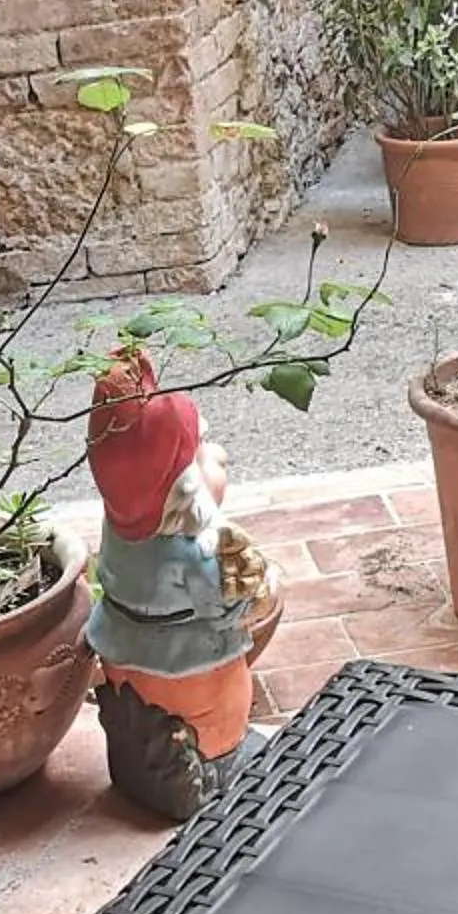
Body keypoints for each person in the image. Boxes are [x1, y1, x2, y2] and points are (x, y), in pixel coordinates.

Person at [82, 349, 275, 820]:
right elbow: (231, 602)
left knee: (144, 707)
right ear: (181, 492)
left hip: (127, 650)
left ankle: (149, 769)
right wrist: (253, 584)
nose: (217, 457)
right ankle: (220, 757)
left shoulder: (120, 527)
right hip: (190, 665)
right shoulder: (195, 554)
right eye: (202, 456)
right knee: (214, 705)